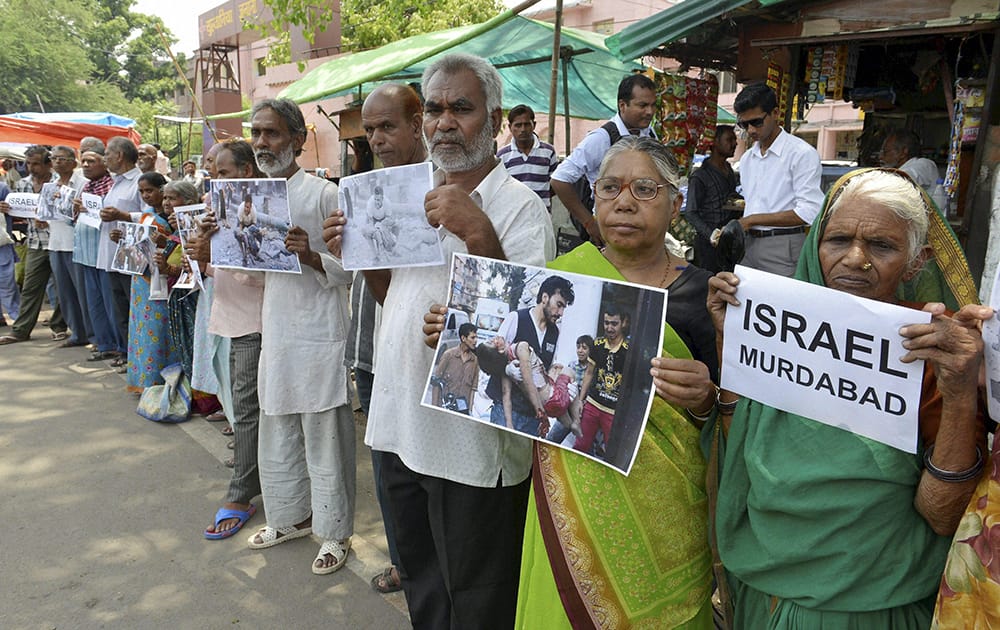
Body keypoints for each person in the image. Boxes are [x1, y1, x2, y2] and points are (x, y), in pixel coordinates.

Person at [424, 136, 718, 627]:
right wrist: (449, 336)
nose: (624, 202)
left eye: (645, 189)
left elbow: (732, 418)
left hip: (666, 510)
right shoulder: (561, 275)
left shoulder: (707, 295)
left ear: (676, 204)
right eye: (609, 188)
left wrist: (706, 400)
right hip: (569, 511)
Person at [324, 53, 554, 627]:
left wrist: (477, 229)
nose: (444, 122)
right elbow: (390, 298)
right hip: (399, 422)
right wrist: (354, 250)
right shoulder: (409, 192)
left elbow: (531, 339)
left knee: (477, 597)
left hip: (472, 446)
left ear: (495, 119)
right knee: (423, 584)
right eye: (434, 109)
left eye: (462, 108)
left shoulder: (521, 208)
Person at [707, 168, 989, 627]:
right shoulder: (779, 329)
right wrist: (732, 346)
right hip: (765, 594)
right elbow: (741, 450)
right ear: (816, 245)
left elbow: (943, 517)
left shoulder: (940, 351)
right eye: (838, 240)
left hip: (870, 607)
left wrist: (960, 395)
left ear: (917, 261)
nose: (855, 259)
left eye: (882, 246)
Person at [243, 98, 356, 577]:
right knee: (278, 429)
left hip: (319, 331)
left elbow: (354, 272)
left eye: (271, 133)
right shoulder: (248, 198)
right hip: (278, 329)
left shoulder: (324, 195)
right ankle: (289, 517)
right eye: (256, 134)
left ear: (297, 138)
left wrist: (311, 257)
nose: (262, 143)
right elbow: (252, 275)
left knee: (325, 436)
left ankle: (334, 532)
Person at [338, 81, 427, 595]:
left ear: (417, 124)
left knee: (419, 475)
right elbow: (370, 282)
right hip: (371, 351)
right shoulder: (360, 187)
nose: (376, 138)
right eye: (369, 130)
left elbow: (403, 292)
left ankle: (424, 569)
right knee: (389, 475)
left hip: (415, 355)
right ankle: (403, 561)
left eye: (387, 126)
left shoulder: (435, 189)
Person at [190, 140, 267, 540]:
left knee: (248, 407)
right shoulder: (216, 208)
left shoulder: (264, 208)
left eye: (222, 172)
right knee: (241, 405)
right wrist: (203, 249)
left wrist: (227, 243)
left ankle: (242, 492)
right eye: (212, 172)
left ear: (247, 171)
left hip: (254, 319)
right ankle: (256, 473)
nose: (214, 179)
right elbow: (206, 269)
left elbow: (262, 274)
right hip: (226, 315)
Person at [551, 73, 657, 246]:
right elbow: (559, 180)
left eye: (653, 105)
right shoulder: (601, 138)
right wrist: (589, 222)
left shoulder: (649, 134)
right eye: (643, 105)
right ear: (622, 105)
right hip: (609, 231)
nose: (650, 112)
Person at [733, 82, 824, 277]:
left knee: (781, 304)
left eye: (756, 122)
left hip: (784, 246)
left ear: (775, 113)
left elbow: (810, 211)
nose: (750, 130)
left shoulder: (801, 154)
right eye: (743, 124)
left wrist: (751, 220)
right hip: (748, 244)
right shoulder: (748, 158)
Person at [489, 274, 574, 437]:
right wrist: (506, 369)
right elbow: (490, 357)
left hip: (533, 418)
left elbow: (545, 373)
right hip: (505, 412)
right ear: (544, 297)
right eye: (559, 305)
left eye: (564, 308)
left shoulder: (554, 333)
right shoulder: (516, 318)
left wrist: (559, 385)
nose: (561, 312)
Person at [0, 145, 66, 345]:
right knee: (30, 287)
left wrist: (49, 218)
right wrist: (7, 209)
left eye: (36, 163)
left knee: (63, 287)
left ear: (48, 164)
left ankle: (60, 326)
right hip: (36, 242)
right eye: (28, 163)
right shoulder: (22, 185)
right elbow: (20, 212)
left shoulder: (59, 184)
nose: (31, 167)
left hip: (59, 242)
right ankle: (21, 330)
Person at [123, 172, 179, 393]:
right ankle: (143, 380)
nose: (147, 196)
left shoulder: (171, 220)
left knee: (159, 331)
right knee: (141, 331)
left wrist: (165, 242)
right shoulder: (145, 216)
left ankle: (160, 380)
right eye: (142, 192)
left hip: (160, 280)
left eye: (151, 191)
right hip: (140, 280)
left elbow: (176, 248)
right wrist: (123, 239)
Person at [98, 136, 145, 366]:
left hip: (132, 253)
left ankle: (137, 355)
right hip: (111, 252)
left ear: (119, 156)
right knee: (118, 306)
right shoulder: (115, 182)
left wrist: (123, 216)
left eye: (107, 154)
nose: (104, 158)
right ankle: (126, 352)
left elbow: (150, 216)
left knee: (132, 305)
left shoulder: (140, 182)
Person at [476, 335, 578, 436]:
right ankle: (576, 422)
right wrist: (541, 412)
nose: (494, 338)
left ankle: (574, 424)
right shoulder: (518, 340)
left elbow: (509, 392)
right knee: (568, 373)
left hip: (534, 412)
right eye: (491, 342)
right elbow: (528, 384)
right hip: (532, 406)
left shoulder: (553, 332)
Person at [72, 147, 120, 361]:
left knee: (111, 303)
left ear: (104, 162)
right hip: (85, 252)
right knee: (95, 302)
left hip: (104, 252)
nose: (86, 165)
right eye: (83, 161)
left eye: (91, 161)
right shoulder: (85, 186)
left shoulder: (111, 186)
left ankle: (118, 345)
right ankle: (104, 344)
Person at [46, 146, 90, 348]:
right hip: (55, 242)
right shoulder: (51, 185)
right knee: (64, 291)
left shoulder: (83, 184)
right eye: (53, 158)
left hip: (75, 243)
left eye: (61, 159)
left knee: (82, 291)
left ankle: (92, 335)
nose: (56, 162)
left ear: (74, 162)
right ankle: (77, 333)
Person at [572, 304, 630, 456]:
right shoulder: (596, 344)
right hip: (592, 404)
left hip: (613, 411)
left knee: (612, 453)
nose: (609, 328)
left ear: (623, 323)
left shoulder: (629, 350)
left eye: (614, 323)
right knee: (580, 446)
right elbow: (589, 373)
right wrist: (580, 400)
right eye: (606, 323)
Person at [685, 125, 739, 273]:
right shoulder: (700, 176)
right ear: (715, 142)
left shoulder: (729, 170)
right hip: (707, 246)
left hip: (729, 242)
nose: (735, 143)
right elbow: (690, 212)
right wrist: (711, 234)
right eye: (730, 139)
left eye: (734, 139)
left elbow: (731, 198)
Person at [496, 104, 559, 211]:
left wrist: (540, 198)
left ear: (534, 125)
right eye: (518, 125)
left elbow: (555, 184)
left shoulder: (548, 152)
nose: (523, 129)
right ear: (510, 127)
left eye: (527, 124)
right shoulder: (502, 156)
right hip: (514, 215)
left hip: (542, 215)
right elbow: (499, 188)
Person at [431, 322, 478, 412]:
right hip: (444, 406)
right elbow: (436, 382)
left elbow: (473, 389)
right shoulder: (449, 355)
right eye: (472, 337)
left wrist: (470, 410)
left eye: (476, 337)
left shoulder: (475, 360)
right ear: (463, 338)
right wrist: (434, 407)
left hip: (462, 409)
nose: (476, 341)